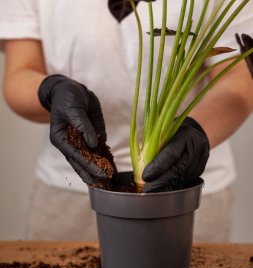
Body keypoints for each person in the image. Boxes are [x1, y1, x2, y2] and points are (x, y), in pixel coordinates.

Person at [0, 1, 253, 242]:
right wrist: (51, 91)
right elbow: (20, 72)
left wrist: (199, 131)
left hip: (184, 188)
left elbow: (238, 78)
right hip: (68, 186)